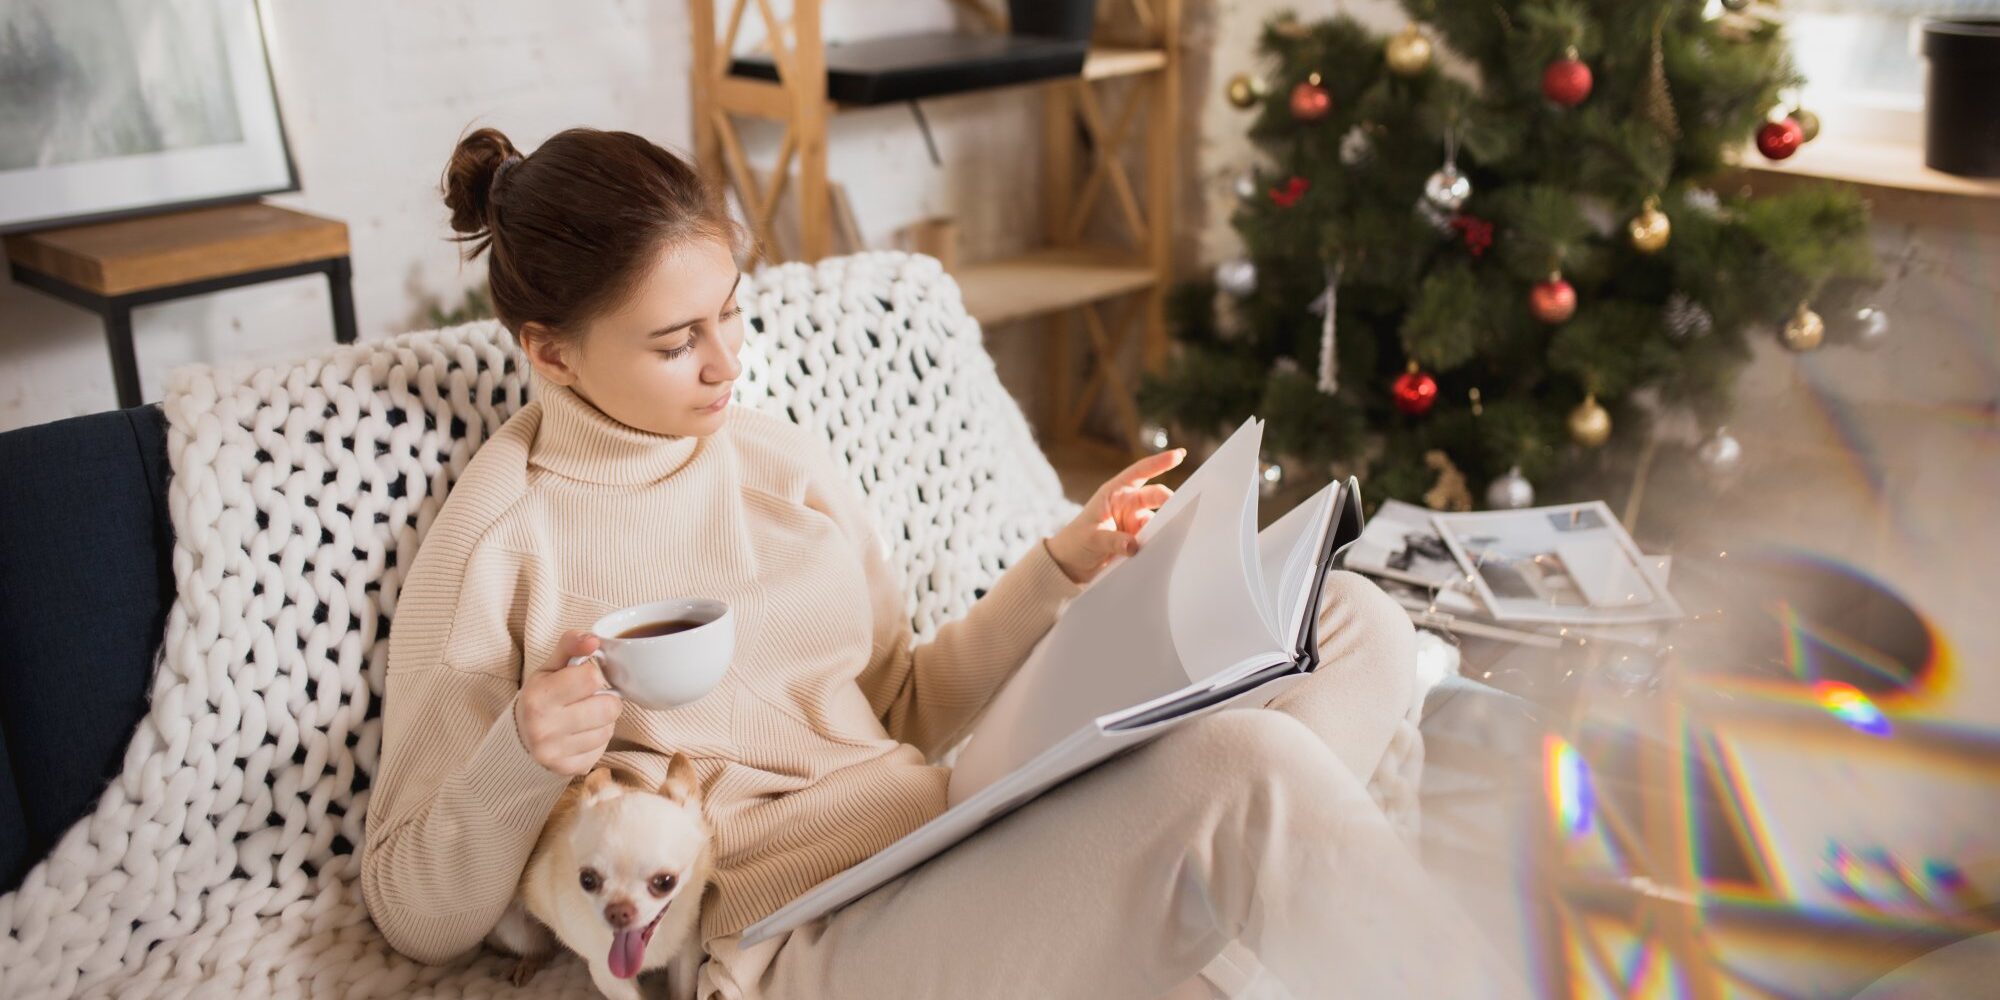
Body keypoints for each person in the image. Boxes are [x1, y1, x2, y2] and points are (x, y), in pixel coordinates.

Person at [359, 126, 1515, 1000]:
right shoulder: (505, 539)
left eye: (729, 313)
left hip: (940, 820)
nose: (725, 364)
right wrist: (519, 754)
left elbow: (902, 703)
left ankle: (1201, 923)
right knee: (1244, 768)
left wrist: (1059, 570)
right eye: (675, 342)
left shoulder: (773, 458)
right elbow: (412, 908)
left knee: (1353, 619)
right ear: (550, 354)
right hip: (800, 938)